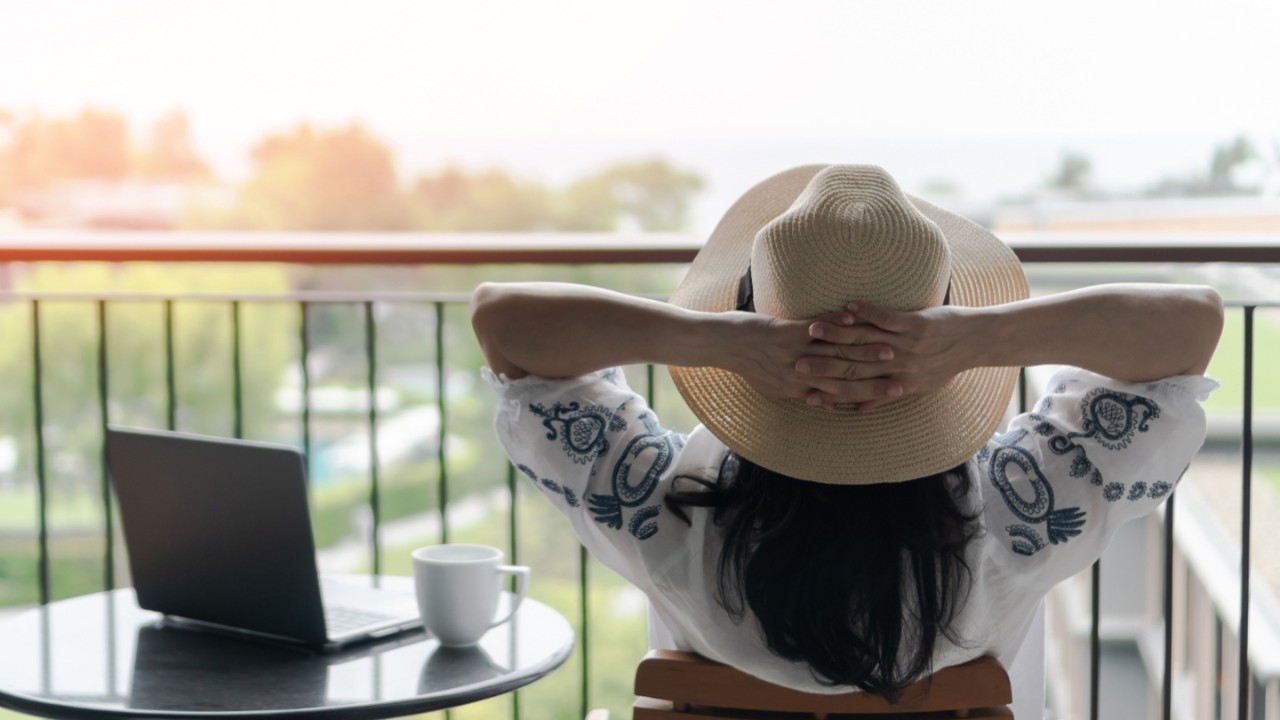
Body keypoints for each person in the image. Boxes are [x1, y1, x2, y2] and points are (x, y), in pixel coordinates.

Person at [469, 165, 1223, 713]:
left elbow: (503, 320)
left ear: (748, 312)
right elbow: (1193, 323)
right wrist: (982, 337)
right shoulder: (1019, 519)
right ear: (944, 329)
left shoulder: (664, 513)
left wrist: (720, 341)